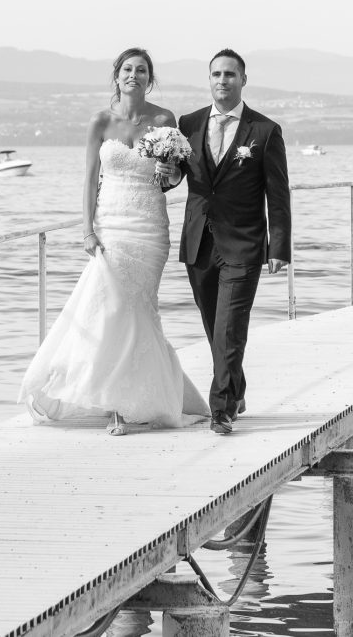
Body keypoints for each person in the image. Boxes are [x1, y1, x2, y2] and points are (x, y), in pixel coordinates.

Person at [19, 47, 210, 435]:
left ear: (150, 79)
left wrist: (170, 170)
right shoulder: (101, 121)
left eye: (141, 70)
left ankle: (139, 399)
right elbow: (90, 178)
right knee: (112, 309)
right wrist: (87, 229)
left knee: (140, 310)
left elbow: (173, 179)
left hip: (150, 226)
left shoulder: (164, 120)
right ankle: (117, 405)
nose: (133, 75)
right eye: (127, 69)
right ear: (117, 76)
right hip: (112, 225)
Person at [175, 48, 292, 435]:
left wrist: (279, 247)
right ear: (209, 80)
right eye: (216, 74)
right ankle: (236, 388)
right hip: (199, 242)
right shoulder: (188, 124)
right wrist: (162, 173)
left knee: (229, 327)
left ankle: (222, 409)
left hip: (244, 243)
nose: (222, 80)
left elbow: (278, 194)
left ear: (243, 80)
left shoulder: (264, 131)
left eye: (229, 74)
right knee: (214, 325)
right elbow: (175, 177)